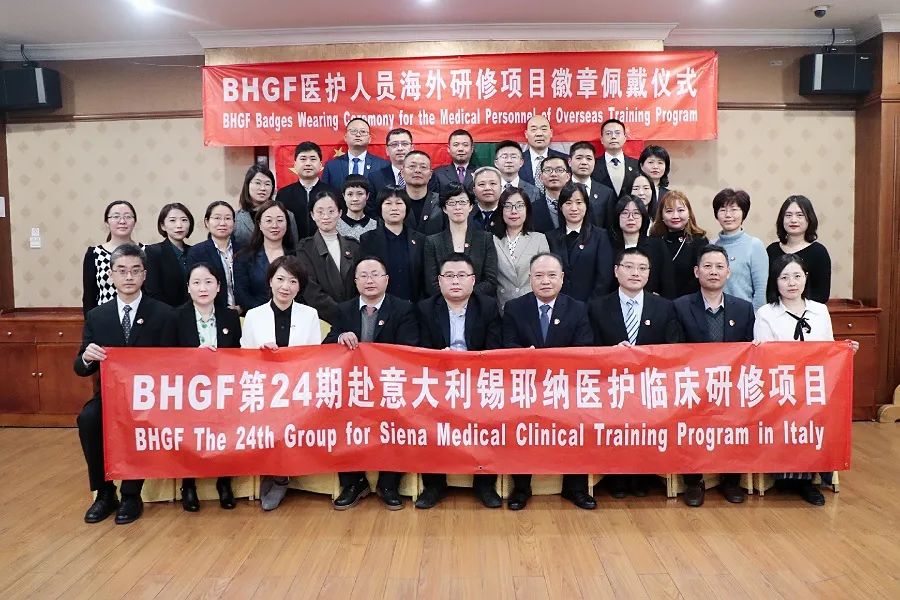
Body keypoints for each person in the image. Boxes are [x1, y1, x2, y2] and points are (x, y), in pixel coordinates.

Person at [75, 244, 174, 524]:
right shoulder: (97, 316)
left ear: (144, 275)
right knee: (88, 418)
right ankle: (105, 493)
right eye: (121, 271)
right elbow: (80, 366)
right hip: (111, 396)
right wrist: (87, 357)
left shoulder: (164, 314)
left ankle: (131, 494)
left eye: (135, 270)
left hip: (151, 397)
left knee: (138, 420)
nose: (128, 277)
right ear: (111, 275)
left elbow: (175, 361)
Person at [754, 254, 858, 506]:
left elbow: (830, 349)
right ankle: (794, 478)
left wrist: (846, 350)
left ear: (806, 278)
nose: (792, 283)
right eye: (784, 277)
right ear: (775, 281)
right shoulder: (766, 313)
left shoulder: (820, 310)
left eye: (797, 276)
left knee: (823, 414)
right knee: (792, 413)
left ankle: (813, 474)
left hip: (815, 386)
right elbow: (765, 357)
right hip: (782, 387)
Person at [323, 256, 419, 510]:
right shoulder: (343, 309)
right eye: (363, 276)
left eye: (375, 274)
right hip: (354, 387)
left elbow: (408, 347)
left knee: (399, 420)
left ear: (386, 280)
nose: (369, 280)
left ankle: (389, 483)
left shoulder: (403, 308)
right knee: (339, 418)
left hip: (391, 386)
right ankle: (353, 482)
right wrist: (340, 338)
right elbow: (326, 347)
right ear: (355, 282)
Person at [502, 253, 595, 510]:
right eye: (539, 275)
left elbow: (584, 347)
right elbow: (507, 344)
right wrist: (525, 356)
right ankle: (522, 488)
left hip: (566, 386)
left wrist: (555, 363)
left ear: (562, 278)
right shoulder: (514, 308)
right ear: (530, 278)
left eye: (552, 275)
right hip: (526, 386)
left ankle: (575, 488)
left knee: (579, 424)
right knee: (520, 426)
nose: (546, 281)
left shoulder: (577, 308)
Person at [589, 247, 683, 498]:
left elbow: (673, 346)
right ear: (616, 271)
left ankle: (642, 475)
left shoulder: (664, 307)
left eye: (642, 268)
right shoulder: (597, 307)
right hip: (609, 383)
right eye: (628, 267)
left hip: (650, 384)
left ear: (649, 274)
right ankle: (617, 477)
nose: (635, 273)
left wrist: (647, 357)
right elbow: (588, 346)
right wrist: (611, 353)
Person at [415, 253, 504, 509]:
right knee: (428, 419)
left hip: (477, 380)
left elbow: (495, 348)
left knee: (489, 419)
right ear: (439, 281)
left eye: (461, 275)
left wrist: (470, 364)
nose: (455, 281)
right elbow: (417, 349)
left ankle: (484, 484)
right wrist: (438, 359)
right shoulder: (425, 308)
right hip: (438, 380)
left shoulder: (487, 306)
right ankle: (434, 485)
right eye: (449, 276)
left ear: (473, 280)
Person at [673, 244, 755, 507]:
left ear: (728, 272)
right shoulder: (680, 306)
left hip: (731, 387)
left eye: (720, 267)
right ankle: (693, 481)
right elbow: (674, 350)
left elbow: (749, 353)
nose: (713, 272)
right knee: (689, 426)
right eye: (707, 266)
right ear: (696, 272)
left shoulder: (743, 309)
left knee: (737, 422)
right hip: (693, 387)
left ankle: (730, 480)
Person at [241, 255, 322, 510]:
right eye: (280, 279)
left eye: (293, 281)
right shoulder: (253, 315)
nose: (285, 286)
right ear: (270, 281)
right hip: (263, 389)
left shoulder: (310, 315)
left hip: (298, 387)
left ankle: (281, 477)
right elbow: (243, 357)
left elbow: (314, 355)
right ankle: (271, 470)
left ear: (299, 287)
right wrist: (260, 354)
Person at [165, 263, 242, 511]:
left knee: (228, 425)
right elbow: (165, 359)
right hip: (187, 390)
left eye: (209, 282)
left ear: (218, 287)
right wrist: (192, 358)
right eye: (196, 283)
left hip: (223, 389)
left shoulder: (230, 317)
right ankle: (188, 484)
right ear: (188, 288)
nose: (203, 288)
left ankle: (224, 481)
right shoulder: (175, 317)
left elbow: (239, 356)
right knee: (188, 428)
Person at [296, 190, 360, 325]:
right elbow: (311, 290)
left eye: (331, 211)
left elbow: (360, 282)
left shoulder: (353, 246)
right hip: (322, 320)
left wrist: (352, 312)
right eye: (320, 212)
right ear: (312, 215)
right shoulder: (305, 248)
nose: (326, 216)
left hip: (355, 316)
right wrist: (340, 313)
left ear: (340, 213)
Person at [424, 181, 498, 297]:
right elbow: (431, 283)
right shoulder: (432, 242)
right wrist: (452, 298)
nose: (457, 207)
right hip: (443, 303)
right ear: (444, 208)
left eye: (462, 202)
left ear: (470, 206)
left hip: (477, 303)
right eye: (452, 203)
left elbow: (490, 280)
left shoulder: (485, 239)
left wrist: (465, 297)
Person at [545, 182, 614, 302]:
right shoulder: (550, 237)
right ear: (560, 207)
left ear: (586, 205)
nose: (574, 208)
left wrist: (589, 306)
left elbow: (604, 278)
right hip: (558, 305)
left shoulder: (600, 236)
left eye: (579, 202)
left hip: (590, 306)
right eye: (568, 203)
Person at [359, 186, 426, 303]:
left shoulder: (420, 240)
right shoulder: (368, 239)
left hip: (413, 305)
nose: (394, 208)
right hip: (381, 305)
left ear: (406, 207)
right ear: (380, 208)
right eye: (388, 203)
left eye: (399, 203)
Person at [491, 187, 550, 312]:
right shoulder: (492, 240)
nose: (514, 211)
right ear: (501, 210)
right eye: (508, 206)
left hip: (531, 307)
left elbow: (545, 276)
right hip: (501, 308)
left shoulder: (539, 239)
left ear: (527, 209)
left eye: (519, 206)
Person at [607, 196, 677, 298]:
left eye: (636, 213)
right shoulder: (607, 245)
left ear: (643, 217)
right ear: (617, 217)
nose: (630, 218)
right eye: (625, 213)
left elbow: (668, 283)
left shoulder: (657, 246)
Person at [766, 195, 831, 303]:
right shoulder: (771, 250)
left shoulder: (819, 252)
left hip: (807, 311)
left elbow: (822, 294)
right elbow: (767, 288)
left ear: (809, 219)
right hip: (775, 310)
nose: (793, 220)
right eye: (788, 215)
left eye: (800, 215)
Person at [710, 188, 768, 311]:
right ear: (716, 214)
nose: (728, 215)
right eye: (722, 210)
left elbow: (761, 291)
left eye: (734, 210)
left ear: (743, 213)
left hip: (745, 315)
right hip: (715, 313)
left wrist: (754, 318)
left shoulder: (754, 245)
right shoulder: (711, 245)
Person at [234, 200, 295, 313]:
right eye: (268, 220)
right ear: (259, 224)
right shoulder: (244, 257)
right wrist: (267, 312)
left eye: (280, 220)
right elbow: (241, 294)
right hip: (256, 316)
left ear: (287, 223)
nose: (274, 225)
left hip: (291, 316)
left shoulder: (296, 256)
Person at [82, 200, 142, 315]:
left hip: (141, 318)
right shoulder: (95, 253)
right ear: (106, 222)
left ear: (135, 222)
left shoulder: (146, 251)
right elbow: (89, 297)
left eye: (128, 217)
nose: (122, 221)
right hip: (104, 318)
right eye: (116, 217)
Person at [648, 190, 709, 298]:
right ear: (661, 215)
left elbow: (702, 276)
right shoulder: (653, 241)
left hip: (689, 302)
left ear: (689, 213)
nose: (675, 216)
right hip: (657, 302)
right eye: (669, 211)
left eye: (680, 210)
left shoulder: (699, 241)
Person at [185, 201, 240, 313]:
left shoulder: (245, 250)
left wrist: (242, 307)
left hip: (245, 313)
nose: (222, 223)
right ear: (207, 222)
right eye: (217, 218)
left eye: (228, 218)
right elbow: (195, 288)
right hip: (211, 313)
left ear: (234, 222)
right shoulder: (196, 253)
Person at [277, 142, 335, 241]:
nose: (308, 163)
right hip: (293, 248)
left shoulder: (333, 193)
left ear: (320, 164)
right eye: (303, 159)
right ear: (295, 164)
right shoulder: (283, 194)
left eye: (313, 159)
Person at [234, 165, 299, 248]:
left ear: (272, 188)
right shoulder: (235, 218)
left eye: (267, 184)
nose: (263, 188)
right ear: (247, 185)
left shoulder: (287, 215)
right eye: (258, 183)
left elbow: (294, 248)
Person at [144, 202, 194, 307]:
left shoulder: (195, 251)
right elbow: (153, 292)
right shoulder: (153, 252)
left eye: (184, 220)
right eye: (172, 220)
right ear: (163, 226)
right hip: (165, 312)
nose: (179, 225)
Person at [321, 118, 389, 189]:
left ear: (369, 139)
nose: (358, 135)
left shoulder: (382, 165)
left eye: (363, 131)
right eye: (353, 131)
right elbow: (325, 193)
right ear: (345, 137)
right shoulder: (331, 166)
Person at [568, 140, 617, 228]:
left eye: (589, 158)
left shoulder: (606, 193)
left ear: (594, 162)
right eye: (579, 158)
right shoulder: (561, 189)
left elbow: (609, 227)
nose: (584, 162)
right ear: (569, 162)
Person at [398, 150, 444, 235]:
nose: (417, 170)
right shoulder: (393, 202)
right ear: (402, 172)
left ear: (430, 174)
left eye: (423, 167)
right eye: (412, 166)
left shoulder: (441, 202)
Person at [519, 115, 568, 192]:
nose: (539, 134)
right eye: (534, 129)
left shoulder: (564, 160)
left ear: (551, 133)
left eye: (544, 129)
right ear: (526, 134)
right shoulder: (517, 161)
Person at [592, 118, 640, 197]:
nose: (613, 137)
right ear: (602, 140)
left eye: (617, 133)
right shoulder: (593, 165)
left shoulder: (637, 165)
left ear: (625, 138)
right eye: (608, 133)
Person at [368, 127, 414, 199]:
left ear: (412, 148)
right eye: (394, 144)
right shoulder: (375, 178)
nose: (400, 148)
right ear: (387, 150)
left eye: (404, 144)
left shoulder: (423, 175)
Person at [531, 155, 572, 234]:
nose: (553, 174)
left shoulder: (578, 206)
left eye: (559, 170)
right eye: (548, 170)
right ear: (541, 177)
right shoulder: (531, 209)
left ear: (568, 176)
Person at [429, 129, 477, 195]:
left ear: (472, 149)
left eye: (465, 145)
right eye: (456, 145)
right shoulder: (438, 174)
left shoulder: (480, 173)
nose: (460, 149)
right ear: (449, 149)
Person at [336, 175, 377, 241]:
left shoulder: (376, 226)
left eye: (360, 194)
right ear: (344, 196)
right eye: (350, 194)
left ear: (367, 196)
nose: (355, 199)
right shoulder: (335, 226)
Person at [468, 166, 503, 232]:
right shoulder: (466, 215)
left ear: (501, 188)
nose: (487, 188)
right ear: (474, 190)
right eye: (482, 184)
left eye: (492, 183)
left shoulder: (508, 214)